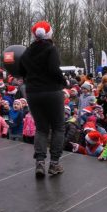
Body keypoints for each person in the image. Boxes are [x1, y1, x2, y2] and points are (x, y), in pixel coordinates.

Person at [19, 21, 67, 177]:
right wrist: (63, 81)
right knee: (58, 127)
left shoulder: (26, 52)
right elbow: (54, 69)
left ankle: (39, 162)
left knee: (41, 128)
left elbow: (21, 71)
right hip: (52, 91)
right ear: (49, 33)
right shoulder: (51, 49)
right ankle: (54, 164)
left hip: (33, 93)